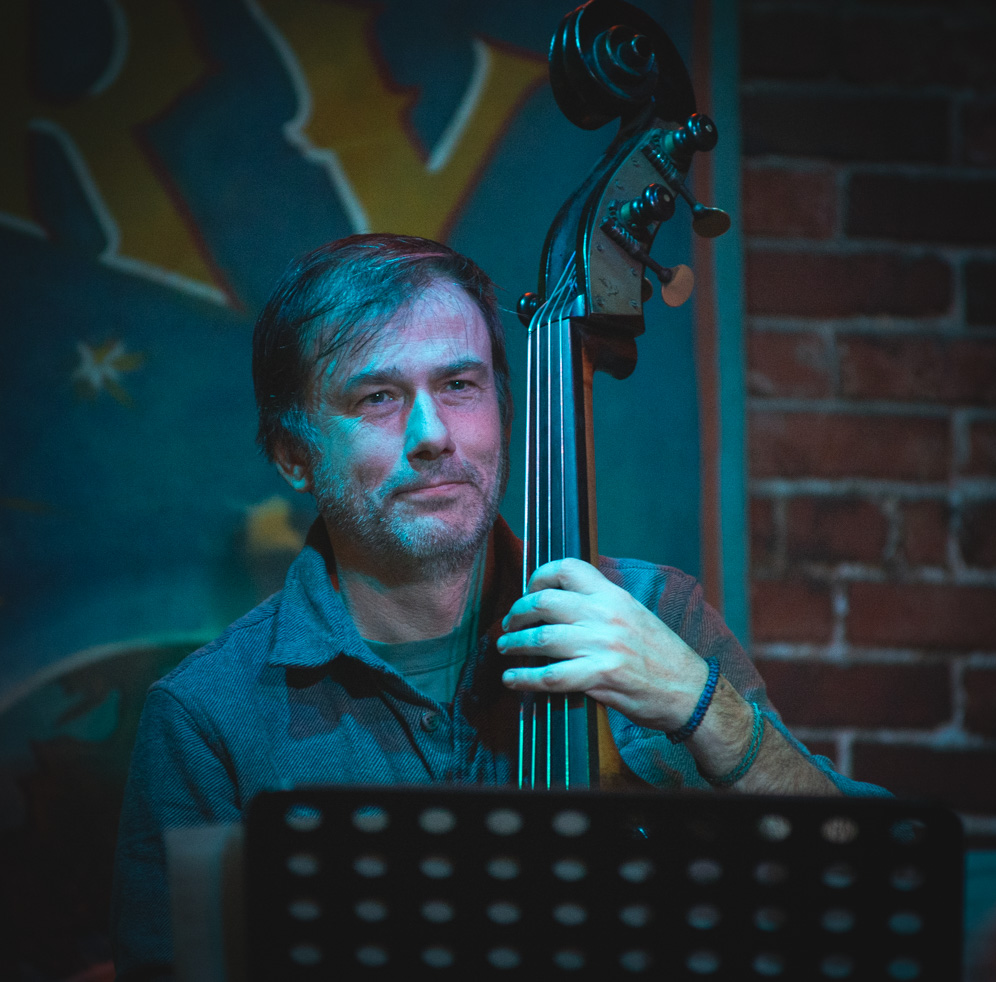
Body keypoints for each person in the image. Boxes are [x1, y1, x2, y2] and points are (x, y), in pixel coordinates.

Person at [111, 233, 888, 978]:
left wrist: (700, 703)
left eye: (460, 385)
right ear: (293, 455)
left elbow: (865, 880)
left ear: (505, 412)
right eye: (378, 397)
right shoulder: (207, 718)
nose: (432, 435)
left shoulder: (657, 615)